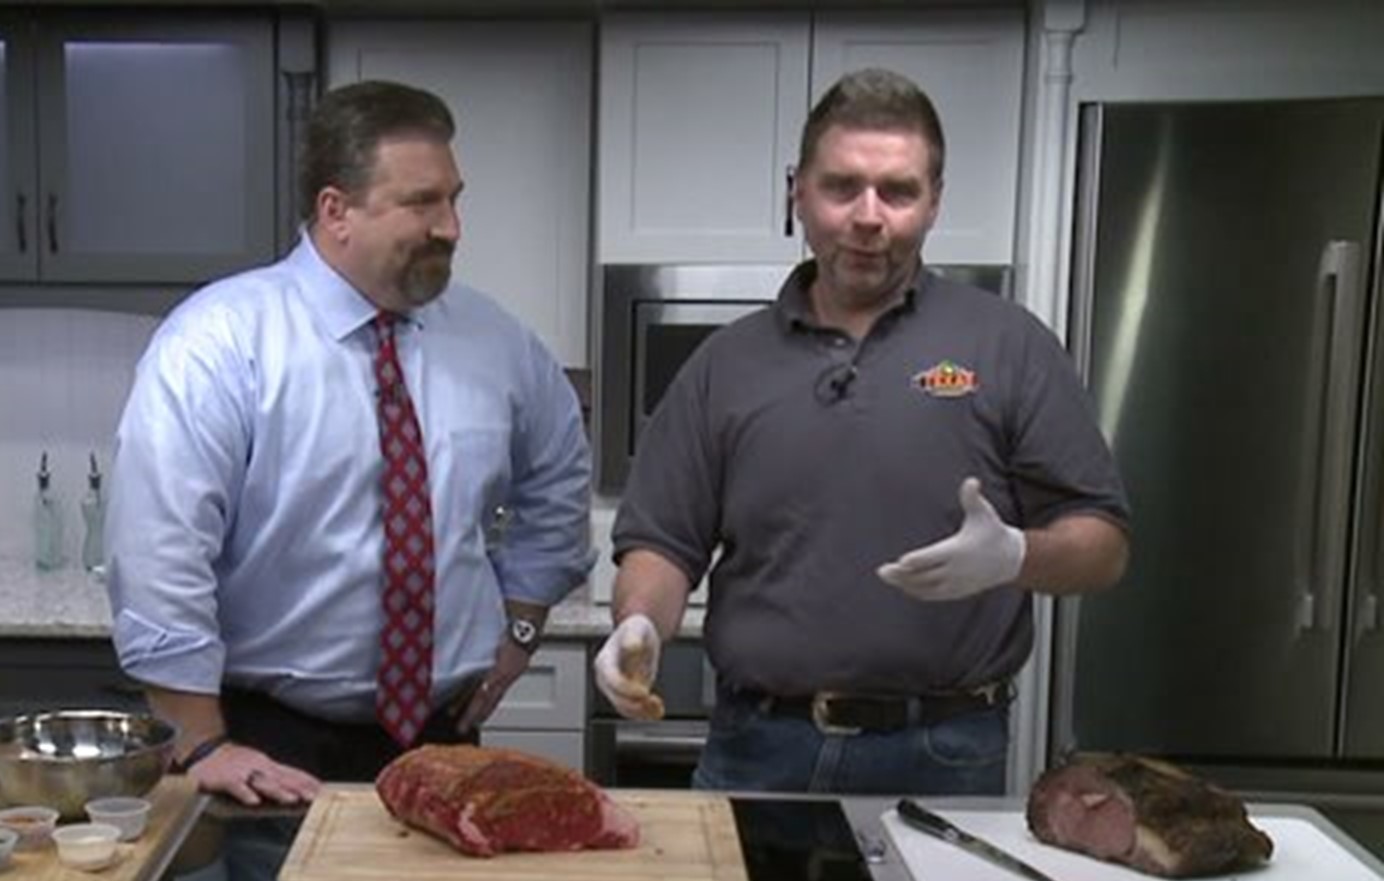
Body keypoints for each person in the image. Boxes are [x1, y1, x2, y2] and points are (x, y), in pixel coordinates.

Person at [593, 68, 1131, 796]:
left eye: (899, 191)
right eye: (842, 186)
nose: (868, 215)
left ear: (934, 201)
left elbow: (1102, 549)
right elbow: (663, 543)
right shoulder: (725, 363)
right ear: (798, 192)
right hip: (757, 748)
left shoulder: (1009, 344)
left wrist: (1015, 557)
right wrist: (639, 627)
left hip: (947, 752)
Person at [107, 80, 593, 807]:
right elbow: (159, 550)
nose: (453, 227)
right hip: (266, 748)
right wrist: (199, 741)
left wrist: (523, 622)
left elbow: (559, 472)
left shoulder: (495, 342)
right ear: (336, 210)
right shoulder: (219, 343)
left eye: (455, 199)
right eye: (423, 203)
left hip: (443, 739)